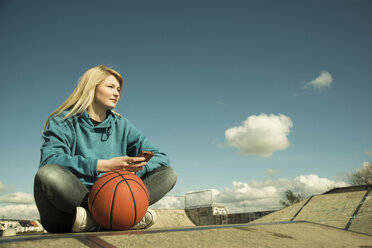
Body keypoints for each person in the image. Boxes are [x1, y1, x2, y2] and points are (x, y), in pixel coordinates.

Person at [34, 65, 177, 233]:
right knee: (48, 174)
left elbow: (160, 157)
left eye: (118, 89)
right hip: (75, 206)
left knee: (168, 174)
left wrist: (131, 171)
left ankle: (109, 218)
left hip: (113, 196)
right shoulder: (62, 120)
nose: (117, 93)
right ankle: (116, 219)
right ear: (91, 88)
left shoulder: (122, 124)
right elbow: (50, 160)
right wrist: (104, 165)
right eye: (110, 87)